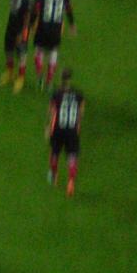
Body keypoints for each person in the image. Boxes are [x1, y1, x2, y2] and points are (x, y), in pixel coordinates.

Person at [30, 0, 76, 90]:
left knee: (39, 50)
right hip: (56, 28)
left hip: (43, 27)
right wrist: (72, 24)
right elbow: (68, 9)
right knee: (53, 52)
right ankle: (49, 82)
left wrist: (31, 25)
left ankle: (40, 77)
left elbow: (35, 9)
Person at [45, 68, 84, 196]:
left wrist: (48, 127)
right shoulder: (78, 95)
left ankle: (54, 175)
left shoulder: (56, 94)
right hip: (72, 130)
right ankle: (71, 182)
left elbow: (51, 111)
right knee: (72, 156)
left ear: (61, 78)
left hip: (58, 128)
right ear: (70, 79)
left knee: (54, 152)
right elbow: (81, 113)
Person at [0, 0, 30, 94]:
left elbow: (27, 18)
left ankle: (21, 78)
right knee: (8, 50)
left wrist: (22, 33)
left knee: (22, 53)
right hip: (11, 27)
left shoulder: (26, 0)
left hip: (21, 30)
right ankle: (10, 72)